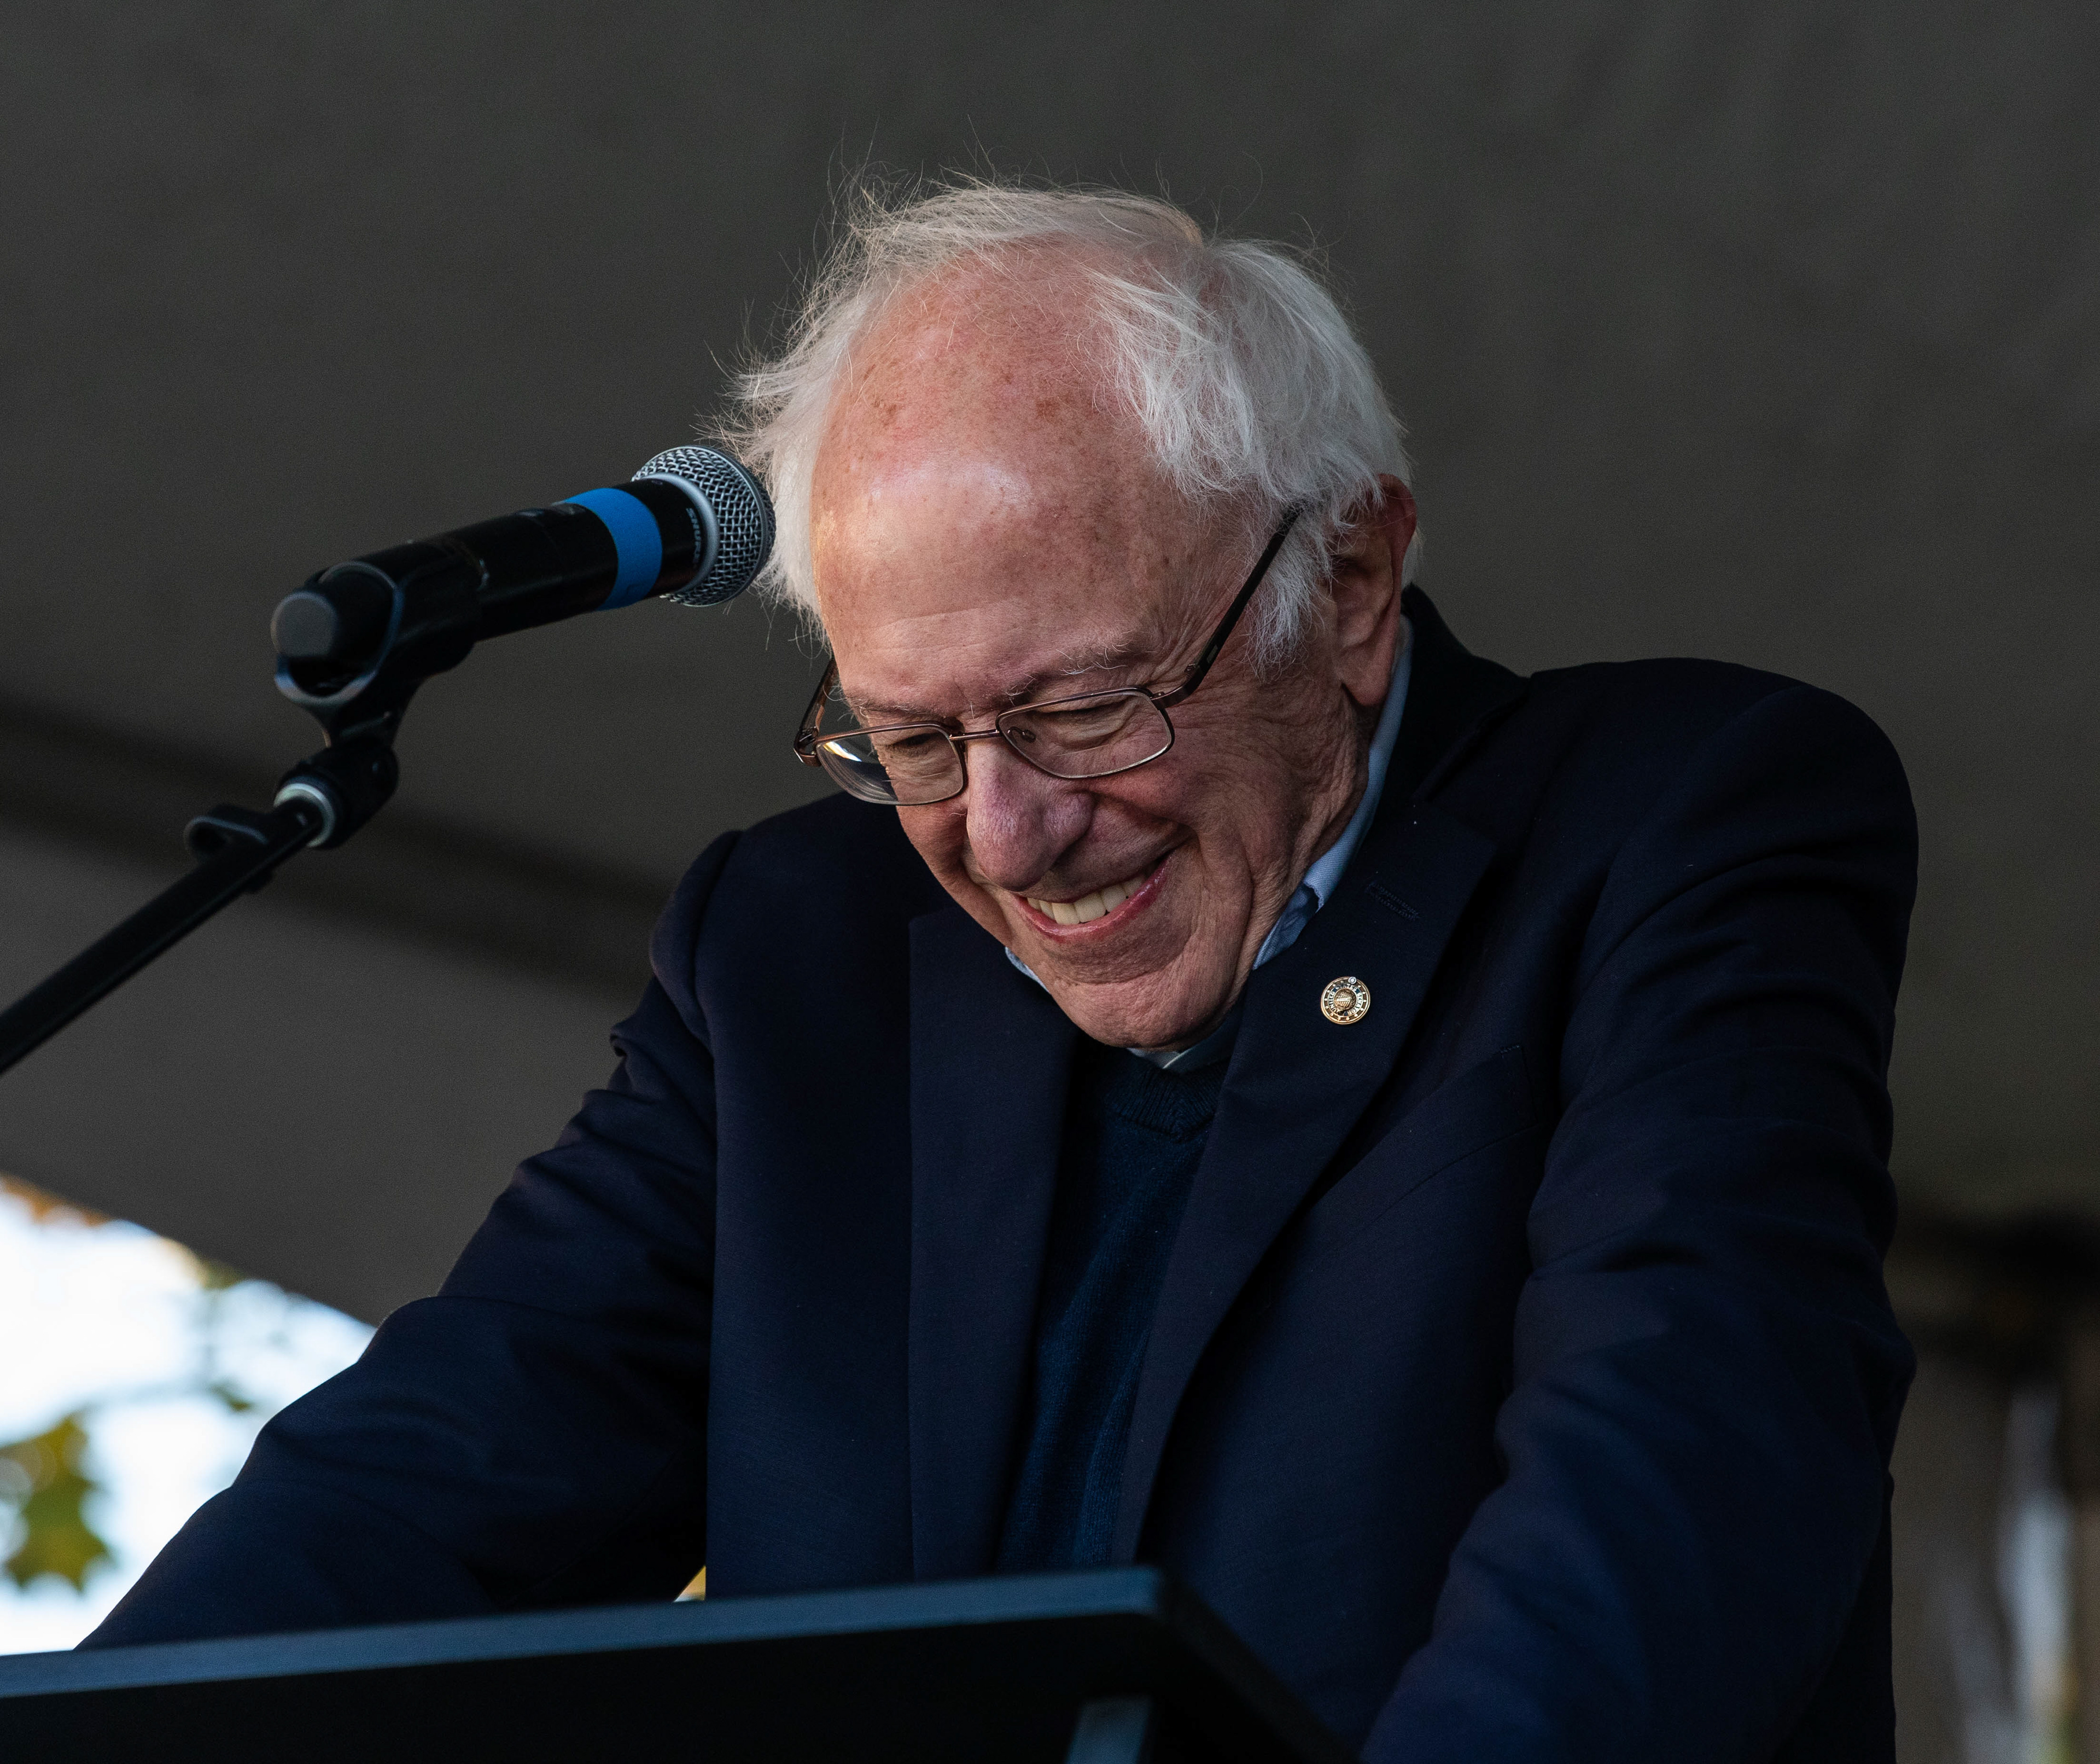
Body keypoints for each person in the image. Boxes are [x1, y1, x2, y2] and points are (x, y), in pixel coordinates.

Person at [85, 182, 1917, 1761]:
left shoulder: (1683, 823)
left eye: (1084, 707)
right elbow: (429, 1485)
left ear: (1350, 575)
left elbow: (1677, 1482)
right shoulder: (795, 954)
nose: (1010, 830)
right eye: (909, 740)